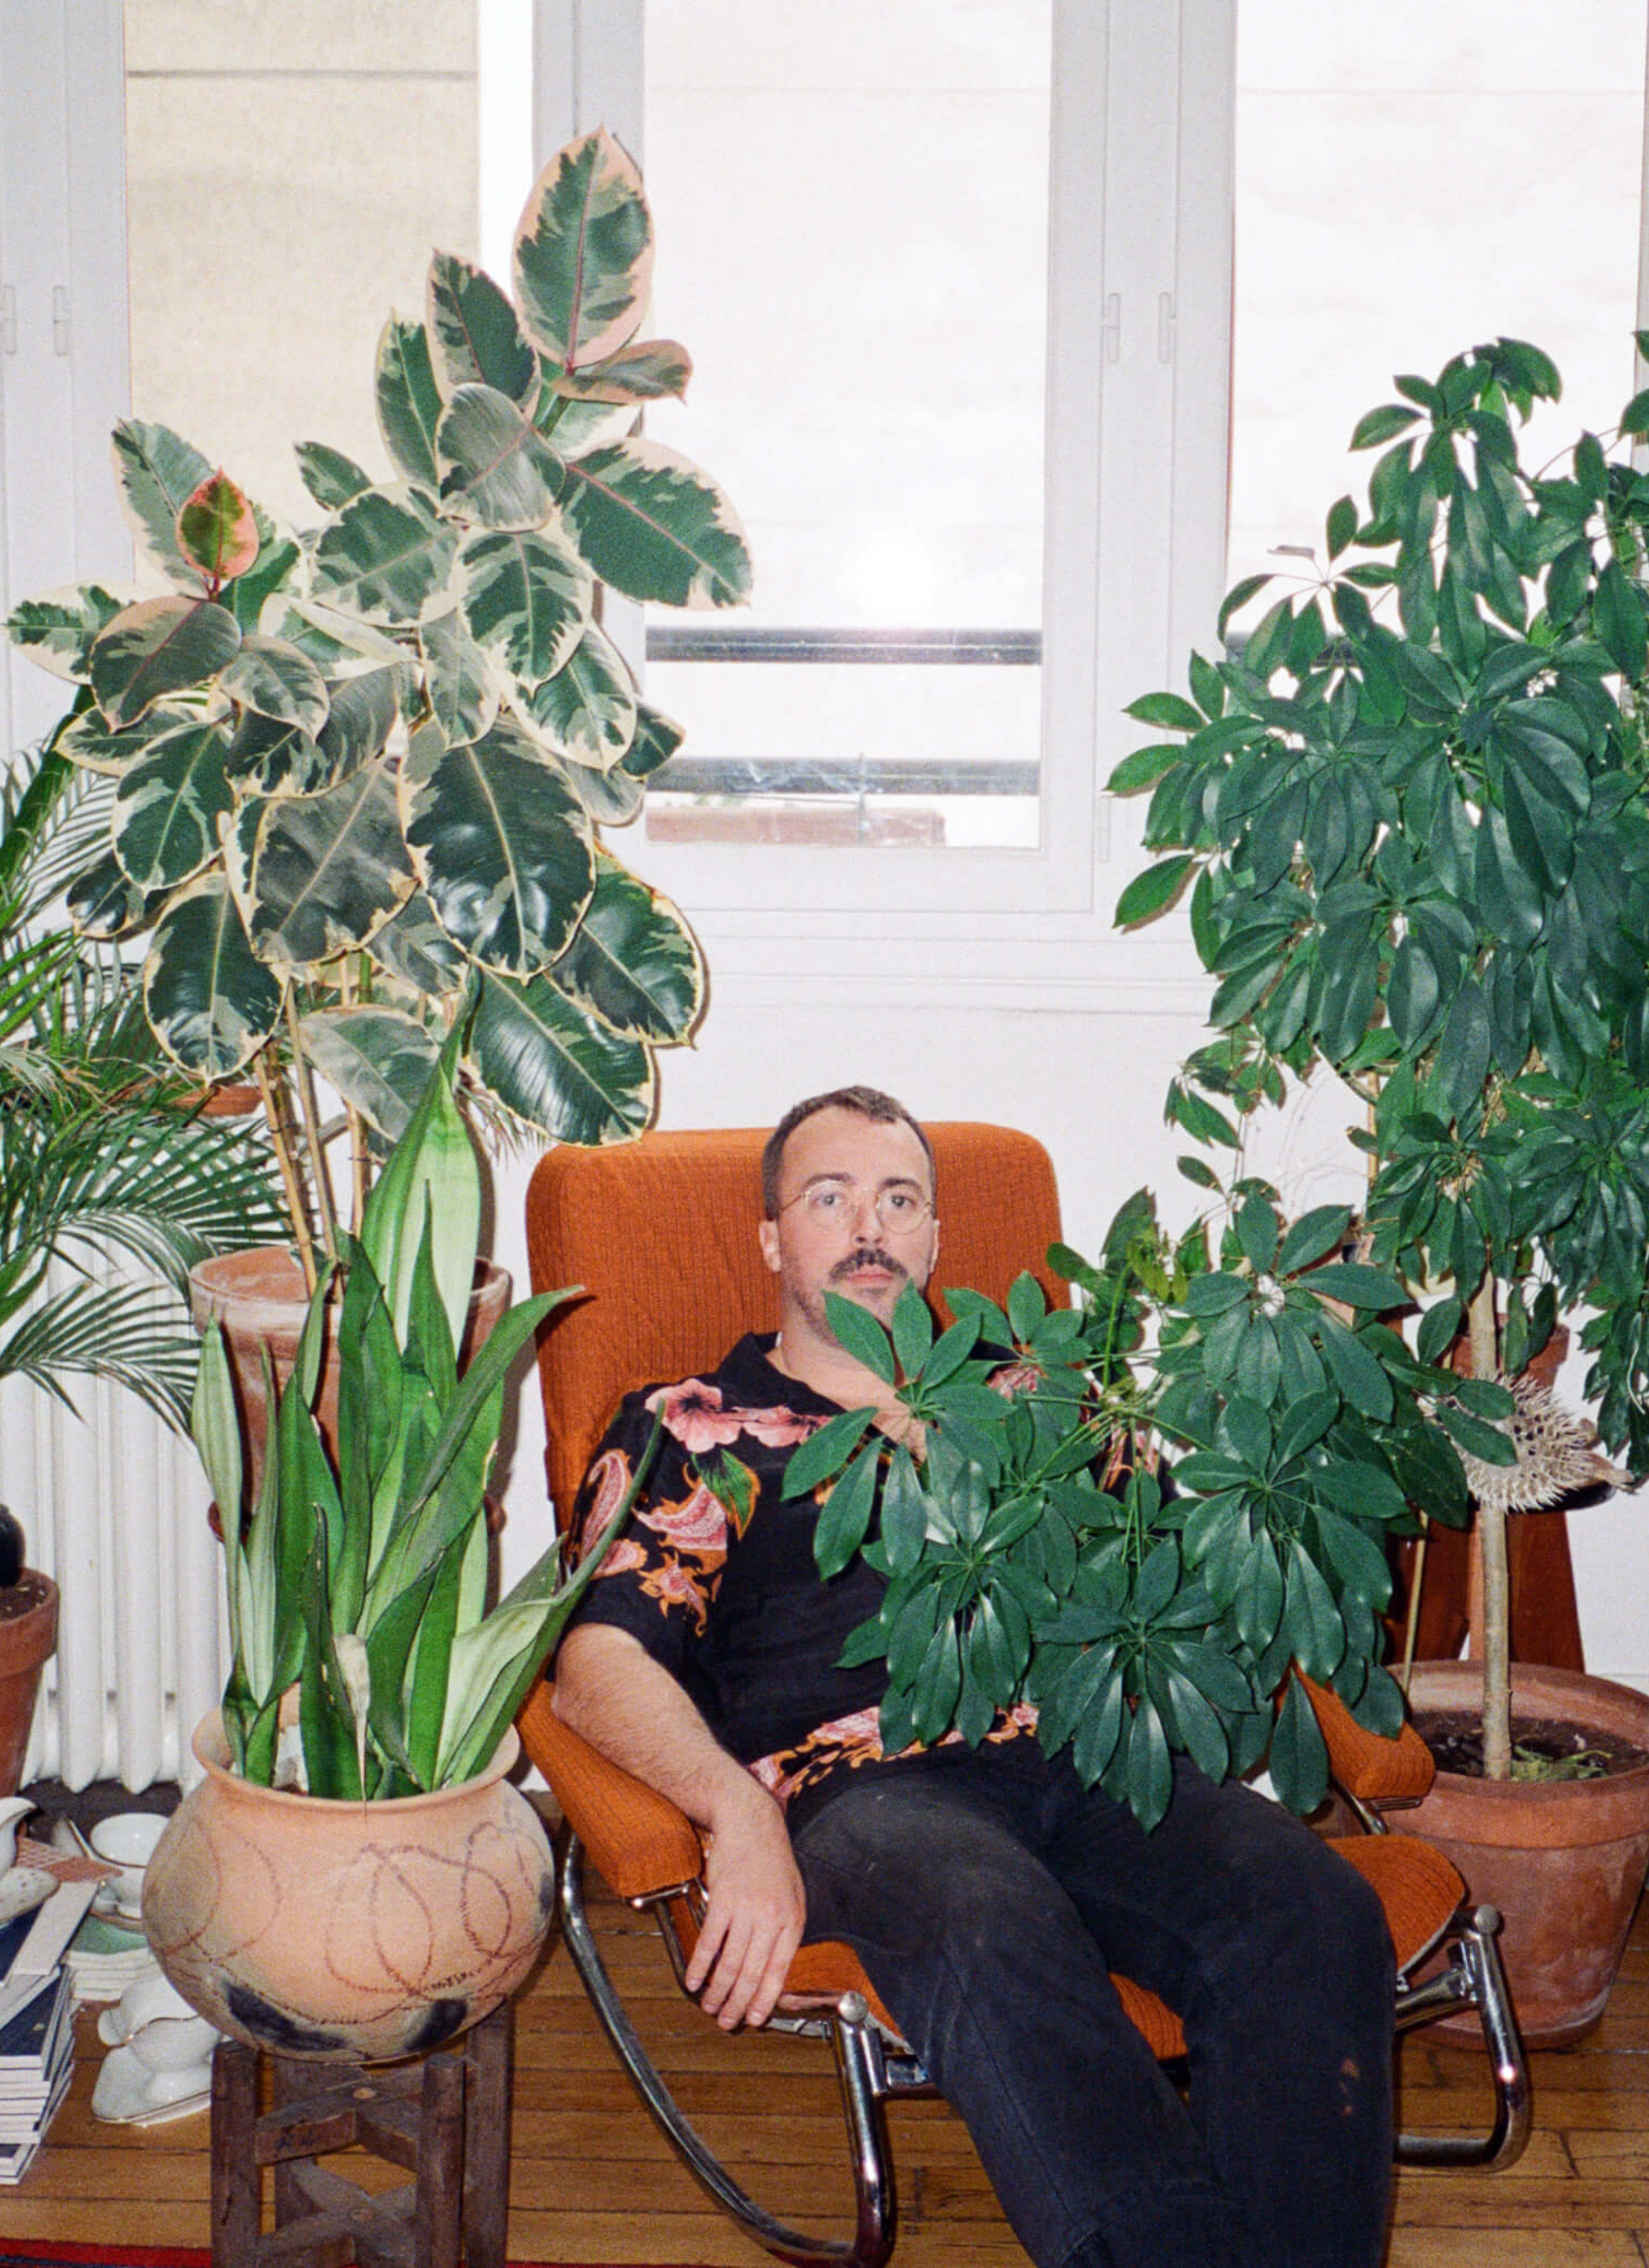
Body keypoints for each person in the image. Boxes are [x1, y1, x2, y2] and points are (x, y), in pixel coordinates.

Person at [552, 1086, 1396, 2268]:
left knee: (1312, 1908)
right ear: (770, 1239)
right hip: (868, 1792)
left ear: (936, 1242)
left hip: (1088, 1760)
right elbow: (594, 1663)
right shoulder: (697, 1428)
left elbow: (1148, 1588)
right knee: (986, 1916)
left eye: (900, 1201)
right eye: (829, 1197)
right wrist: (733, 1812)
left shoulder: (1035, 1398)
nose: (868, 1229)